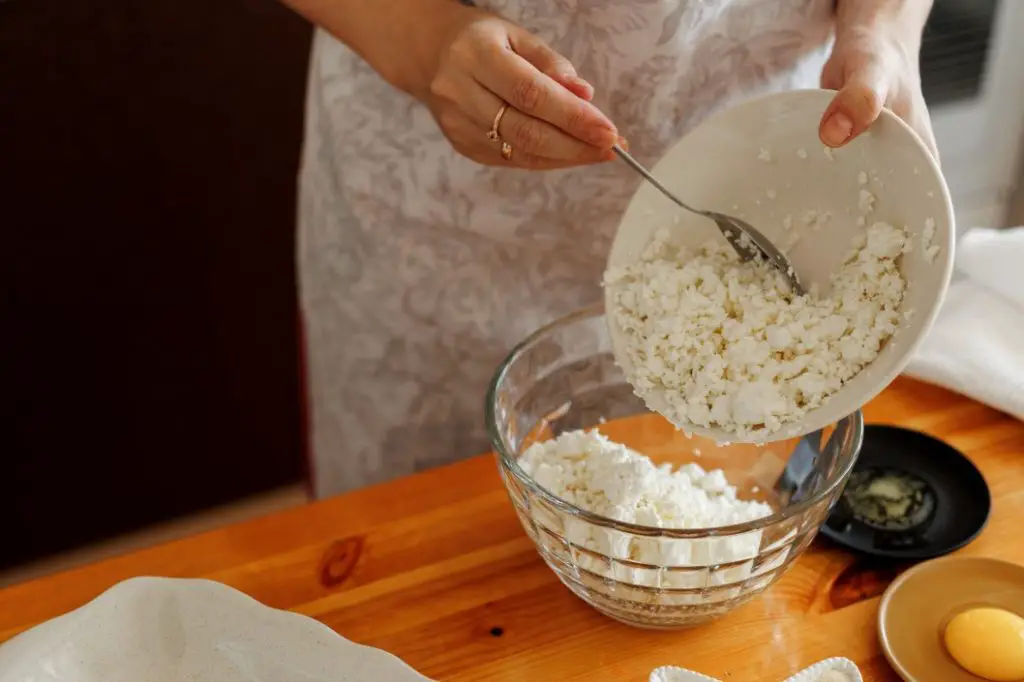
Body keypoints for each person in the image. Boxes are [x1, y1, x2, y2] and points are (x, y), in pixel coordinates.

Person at [281, 0, 938, 497]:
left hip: (773, 157)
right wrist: (421, 40)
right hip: (438, 193)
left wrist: (885, 28)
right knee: (410, 544)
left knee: (714, 504)